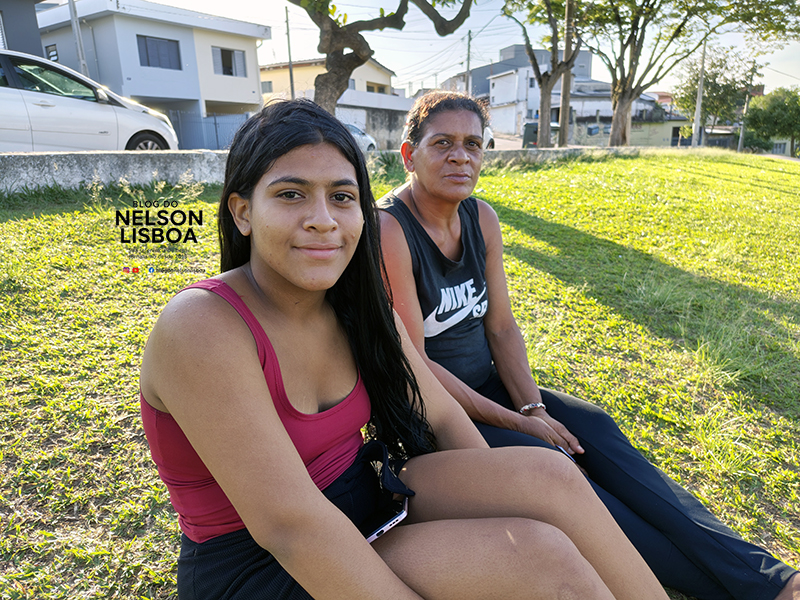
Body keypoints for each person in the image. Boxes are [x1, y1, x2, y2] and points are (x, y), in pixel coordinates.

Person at [139, 98, 671, 600]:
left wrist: (503, 503)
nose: (323, 219)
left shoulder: (356, 306)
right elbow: (289, 526)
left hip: (368, 507)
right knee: (542, 559)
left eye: (342, 197)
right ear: (242, 212)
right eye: (291, 194)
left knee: (548, 475)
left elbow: (442, 414)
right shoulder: (202, 325)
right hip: (264, 564)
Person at [377, 90, 800, 600]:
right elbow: (417, 366)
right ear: (409, 154)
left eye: (473, 144)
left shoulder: (481, 217)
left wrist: (533, 406)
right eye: (442, 143)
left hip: (491, 387)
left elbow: (502, 328)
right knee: (578, 488)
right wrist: (522, 424)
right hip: (437, 415)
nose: (460, 157)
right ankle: (748, 587)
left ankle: (773, 577)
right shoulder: (390, 229)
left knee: (598, 433)